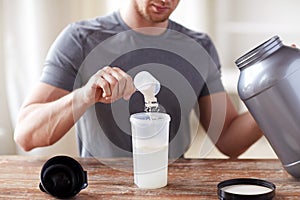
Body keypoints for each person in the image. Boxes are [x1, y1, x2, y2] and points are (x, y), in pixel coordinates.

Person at [14, 0, 262, 158]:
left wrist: (276, 95)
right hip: (102, 189)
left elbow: (229, 140)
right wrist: (84, 95)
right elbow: (26, 136)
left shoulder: (199, 46)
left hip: (175, 187)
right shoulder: (80, 39)